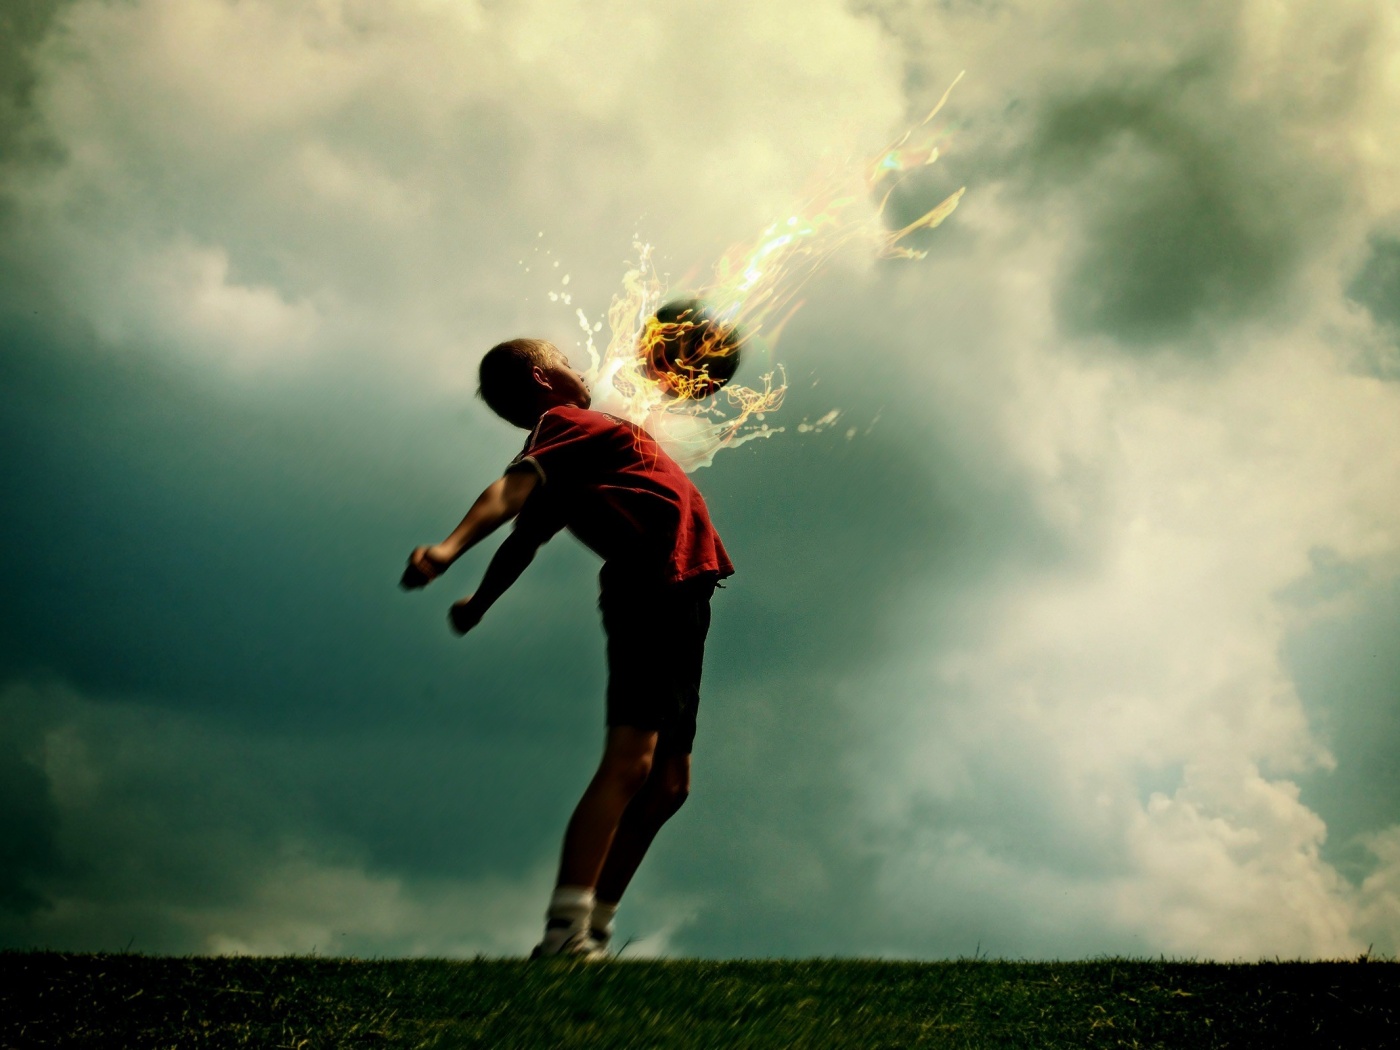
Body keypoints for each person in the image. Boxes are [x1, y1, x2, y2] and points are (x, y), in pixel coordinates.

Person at [400, 337, 733, 958]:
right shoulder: (566, 423)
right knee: (631, 764)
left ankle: (592, 928)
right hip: (650, 592)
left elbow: (523, 541)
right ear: (542, 378)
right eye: (568, 362)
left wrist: (480, 601)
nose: (582, 368)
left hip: (683, 595)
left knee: (669, 784)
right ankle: (563, 931)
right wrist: (447, 550)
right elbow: (509, 494)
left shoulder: (577, 451)